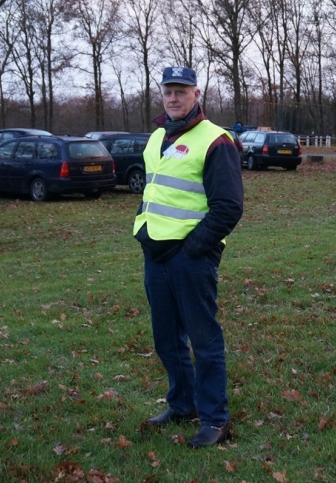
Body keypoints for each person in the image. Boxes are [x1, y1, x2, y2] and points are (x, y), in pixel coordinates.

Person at [134, 66, 244, 449]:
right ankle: (182, 404)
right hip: (155, 254)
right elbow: (153, 191)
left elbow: (228, 207)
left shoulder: (216, 140)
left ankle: (215, 418)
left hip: (191, 259)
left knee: (204, 340)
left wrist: (194, 248)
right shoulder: (156, 137)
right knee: (167, 339)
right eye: (168, 91)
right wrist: (143, 228)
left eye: (181, 91)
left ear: (197, 94)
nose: (173, 98)